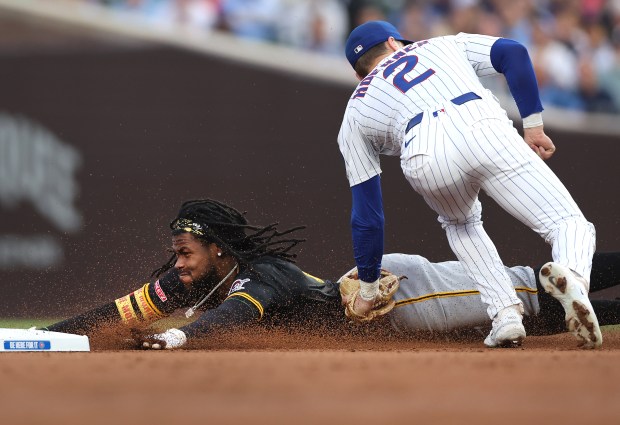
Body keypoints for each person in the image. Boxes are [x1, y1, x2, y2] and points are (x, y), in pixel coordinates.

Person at [336, 20, 601, 348]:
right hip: (480, 124)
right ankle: (572, 277)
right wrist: (532, 125)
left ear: (359, 75)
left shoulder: (356, 108)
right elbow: (512, 52)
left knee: (461, 224)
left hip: (422, 151)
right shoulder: (440, 43)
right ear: (393, 43)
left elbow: (367, 215)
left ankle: (505, 316)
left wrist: (368, 290)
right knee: (567, 223)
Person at [44, 199, 619, 349]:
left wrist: (178, 335)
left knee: (544, 291)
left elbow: (236, 315)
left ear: (219, 250)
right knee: (553, 328)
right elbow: (122, 310)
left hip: (404, 296)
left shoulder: (259, 274)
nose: (178, 263)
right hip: (392, 326)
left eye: (187, 251)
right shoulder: (193, 279)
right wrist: (54, 335)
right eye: (175, 253)